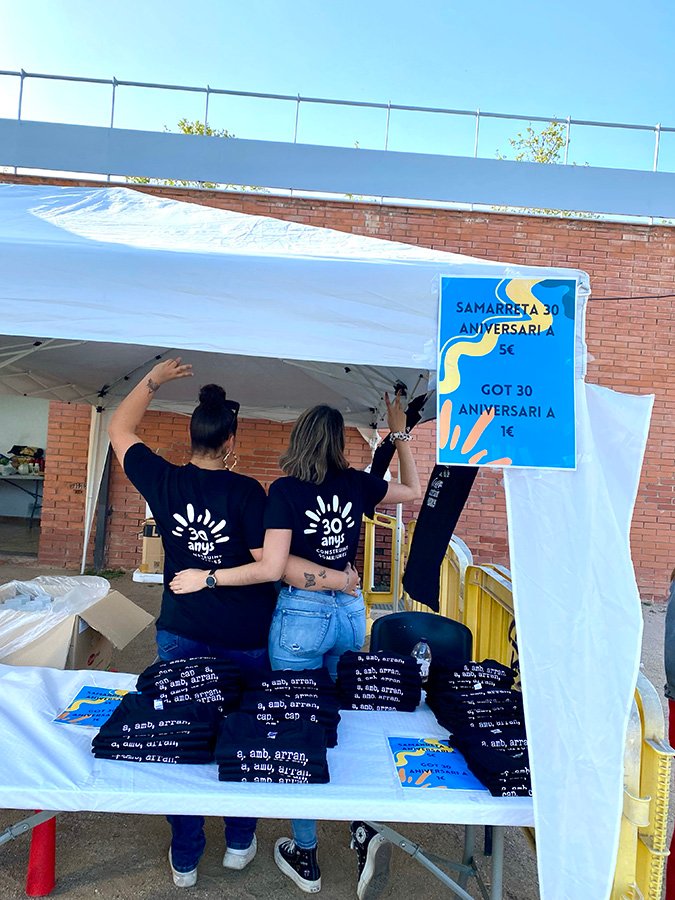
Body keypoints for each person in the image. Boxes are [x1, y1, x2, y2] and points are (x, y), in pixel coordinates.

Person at [108, 358, 359, 889]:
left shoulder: (163, 480)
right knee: (247, 731)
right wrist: (339, 580)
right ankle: (239, 841)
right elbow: (269, 566)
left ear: (193, 435)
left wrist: (153, 380)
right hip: (246, 636)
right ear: (230, 440)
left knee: (180, 736)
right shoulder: (248, 493)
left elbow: (119, 429)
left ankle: (185, 854)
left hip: (182, 629)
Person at [170, 391, 420, 896]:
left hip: (302, 617)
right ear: (338, 444)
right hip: (349, 614)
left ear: (298, 439)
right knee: (343, 718)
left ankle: (306, 852)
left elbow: (276, 566)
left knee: (296, 727)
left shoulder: (283, 491)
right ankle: (361, 824)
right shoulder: (357, 484)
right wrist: (400, 435)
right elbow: (413, 490)